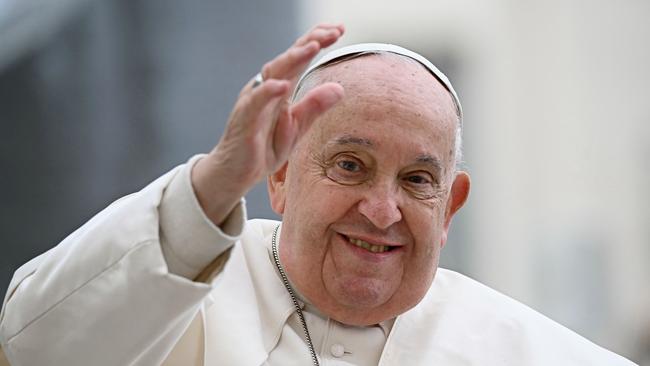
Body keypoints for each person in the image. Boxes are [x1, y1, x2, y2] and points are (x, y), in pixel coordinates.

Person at [0, 24, 636, 366]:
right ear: (279, 176)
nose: (382, 210)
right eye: (351, 165)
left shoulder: (532, 352)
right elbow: (36, 350)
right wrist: (215, 181)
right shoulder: (173, 286)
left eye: (417, 181)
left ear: (451, 207)